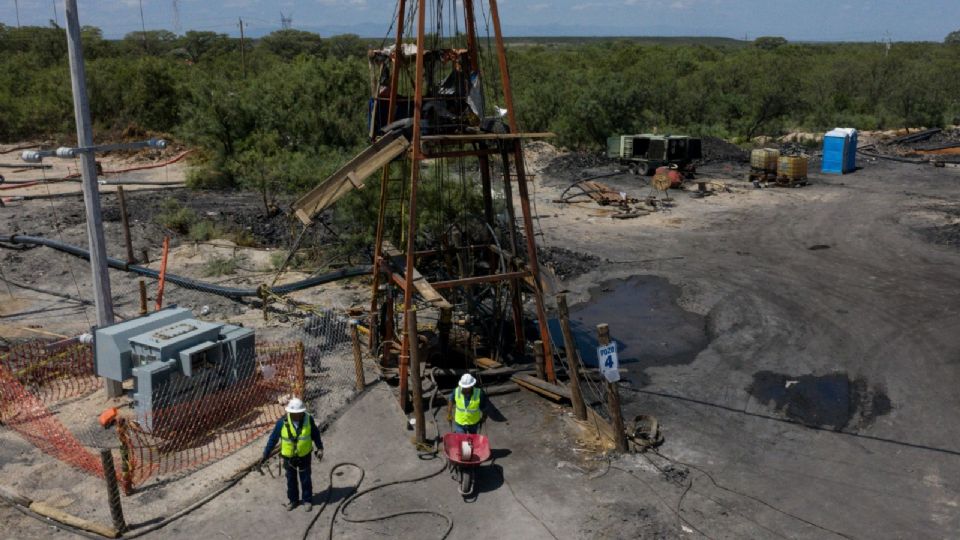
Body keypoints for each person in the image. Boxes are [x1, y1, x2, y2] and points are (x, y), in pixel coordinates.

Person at [261, 397, 324, 511]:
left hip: (304, 455)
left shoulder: (308, 420)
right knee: (291, 480)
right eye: (295, 413)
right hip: (288, 458)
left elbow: (315, 434)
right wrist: (265, 454)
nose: (298, 416)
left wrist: (320, 448)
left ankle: (307, 500)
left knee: (305, 479)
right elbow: (273, 439)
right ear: (289, 412)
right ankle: (293, 500)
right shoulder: (281, 423)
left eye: (299, 413)